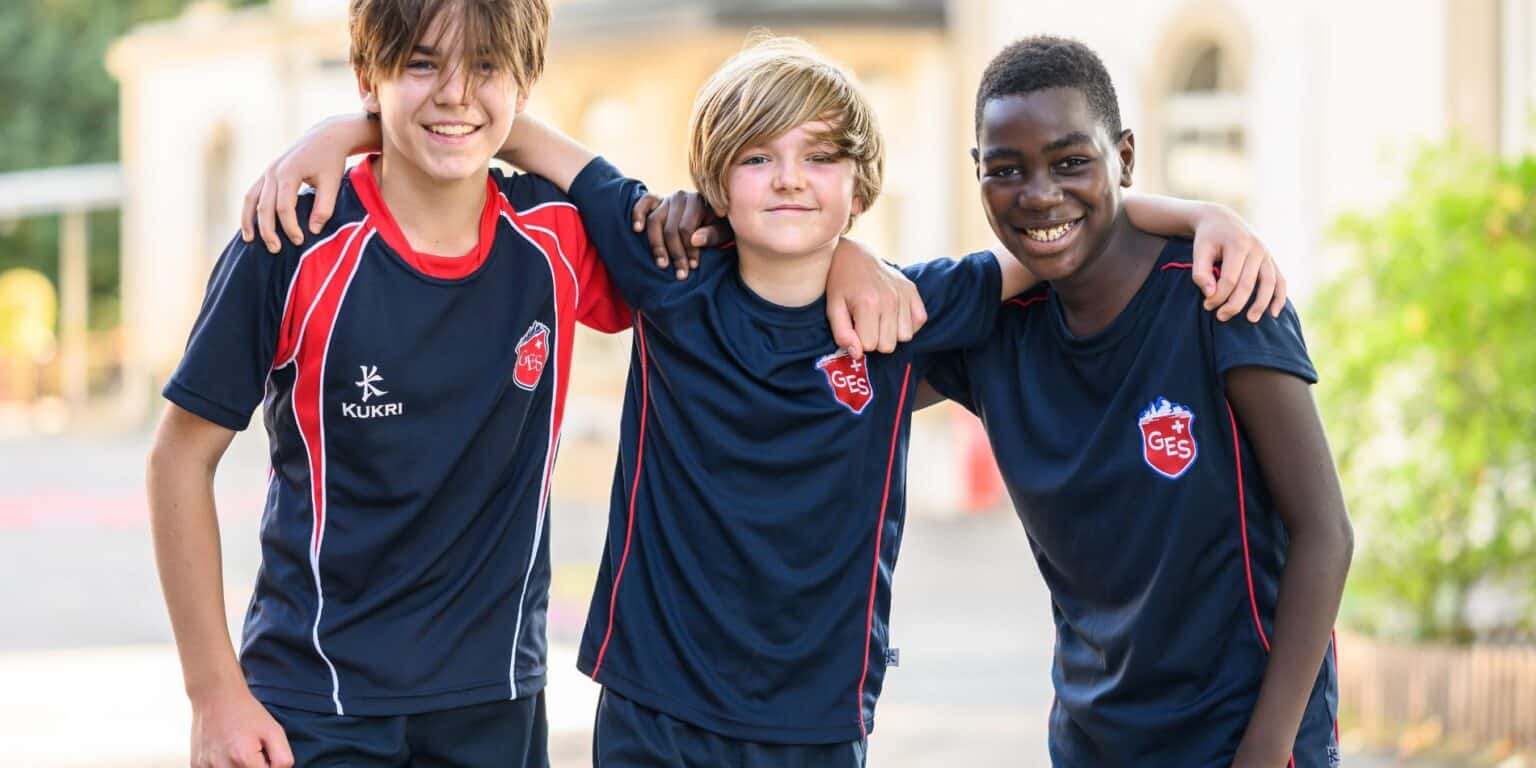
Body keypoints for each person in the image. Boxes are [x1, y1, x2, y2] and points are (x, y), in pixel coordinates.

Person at [244, 33, 1287, 765]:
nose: (790, 180)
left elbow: (1065, 235)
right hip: (653, 710)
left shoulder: (904, 312)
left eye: (821, 159)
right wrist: (346, 131)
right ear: (715, 179)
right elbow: (517, 133)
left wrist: (1203, 215)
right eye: (757, 159)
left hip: (815, 722)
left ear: (860, 183)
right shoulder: (668, 265)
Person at [915, 36, 1352, 767]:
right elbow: (853, 332)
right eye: (1006, 170)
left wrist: (1268, 748)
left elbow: (1325, 534)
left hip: (1244, 739)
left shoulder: (1221, 295)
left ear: (1123, 156)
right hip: (1094, 745)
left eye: (1070, 162)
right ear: (978, 175)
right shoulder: (991, 333)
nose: (1039, 193)